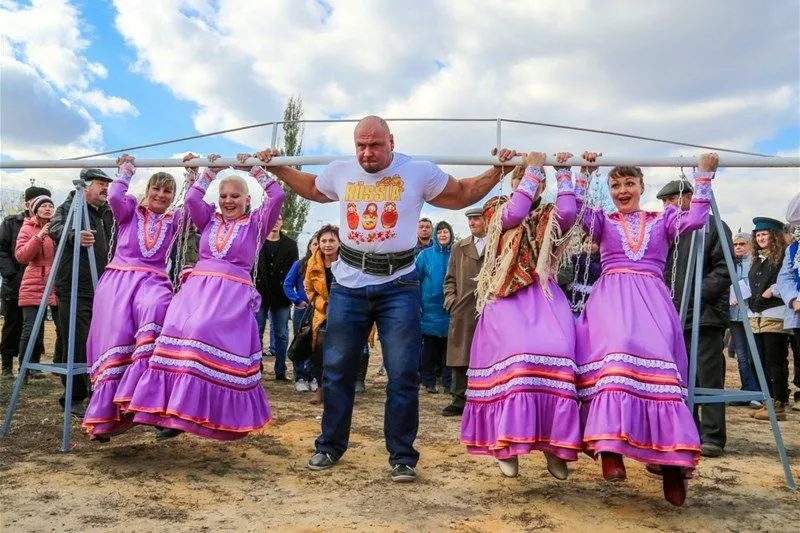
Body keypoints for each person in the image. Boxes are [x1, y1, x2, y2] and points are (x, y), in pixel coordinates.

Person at [256, 115, 519, 483]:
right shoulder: (341, 170)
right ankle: (329, 445)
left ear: (391, 141)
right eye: (361, 145)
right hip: (348, 285)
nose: (367, 153)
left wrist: (499, 171)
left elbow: (460, 194)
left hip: (399, 285)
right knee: (336, 371)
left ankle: (402, 456)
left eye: (375, 145)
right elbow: (314, 189)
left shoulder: (418, 171)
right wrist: (279, 169)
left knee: (402, 374)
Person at [575, 151, 720, 507]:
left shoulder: (663, 218)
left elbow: (698, 219)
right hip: (611, 299)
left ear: (642, 185)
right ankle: (610, 447)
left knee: (661, 374)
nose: (622, 190)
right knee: (617, 357)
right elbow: (570, 215)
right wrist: (583, 174)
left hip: (653, 301)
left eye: (629, 183)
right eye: (615, 184)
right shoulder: (603, 220)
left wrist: (703, 175)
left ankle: (672, 465)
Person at [127, 153, 284, 440]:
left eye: (235, 195)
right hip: (196, 291)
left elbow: (277, 196)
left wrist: (257, 170)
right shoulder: (209, 220)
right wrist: (208, 173)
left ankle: (211, 415)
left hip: (230, 296)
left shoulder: (256, 224)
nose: (228, 200)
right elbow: (191, 201)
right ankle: (171, 413)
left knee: (202, 332)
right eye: (223, 195)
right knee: (175, 332)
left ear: (247, 199)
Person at [461, 151, 581, 480]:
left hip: (543, 295)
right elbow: (515, 213)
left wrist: (563, 171)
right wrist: (531, 168)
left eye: (535, 180)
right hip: (505, 297)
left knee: (558, 355)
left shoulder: (548, 213)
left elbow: (569, 213)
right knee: (520, 363)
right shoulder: (496, 207)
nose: (529, 182)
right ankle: (506, 445)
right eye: (522, 178)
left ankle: (556, 447)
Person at [80, 155, 182, 441]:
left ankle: (161, 413)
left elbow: (199, 211)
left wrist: (197, 174)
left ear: (173, 196)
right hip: (119, 282)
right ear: (148, 190)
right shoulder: (129, 212)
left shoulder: (174, 220)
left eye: (167, 191)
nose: (161, 195)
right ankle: (103, 421)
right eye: (156, 189)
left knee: (159, 322)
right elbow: (113, 193)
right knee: (117, 345)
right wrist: (126, 169)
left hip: (153, 281)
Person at [659, 179, 732, 458]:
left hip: (705, 315)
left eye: (670, 200)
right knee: (680, 377)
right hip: (675, 316)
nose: (666, 206)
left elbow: (724, 269)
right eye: (663, 202)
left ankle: (713, 436)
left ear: (689, 197)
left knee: (708, 376)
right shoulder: (670, 231)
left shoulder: (713, 226)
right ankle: (691, 429)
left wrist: (694, 294)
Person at [49, 170, 116, 417]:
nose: (105, 189)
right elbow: (54, 227)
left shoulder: (107, 212)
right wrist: (73, 236)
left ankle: (98, 390)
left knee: (101, 340)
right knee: (77, 339)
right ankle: (73, 396)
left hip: (104, 285)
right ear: (85, 186)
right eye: (100, 184)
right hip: (76, 285)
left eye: (107, 184)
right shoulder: (71, 206)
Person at [0, 185, 51, 377]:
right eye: (38, 200)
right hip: (15, 281)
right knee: (13, 323)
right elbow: (2, 250)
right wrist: (11, 275)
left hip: (40, 281)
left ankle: (32, 365)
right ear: (27, 203)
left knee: (35, 325)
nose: (44, 204)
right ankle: (6, 364)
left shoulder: (50, 224)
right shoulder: (12, 222)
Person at [443, 207, 486, 416]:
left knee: (489, 353)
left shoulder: (500, 245)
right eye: (470, 219)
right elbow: (450, 278)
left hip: (492, 307)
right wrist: (451, 301)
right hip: (464, 308)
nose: (472, 222)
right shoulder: (459, 247)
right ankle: (459, 398)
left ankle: (486, 396)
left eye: (477, 218)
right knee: (461, 353)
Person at [747, 217, 791, 421]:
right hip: (756, 315)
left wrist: (771, 291)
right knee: (762, 360)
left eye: (764, 234)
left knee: (775, 360)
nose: (761, 238)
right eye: (757, 235)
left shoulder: (783, 256)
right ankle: (768, 400)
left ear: (773, 236)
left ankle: (779, 403)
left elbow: (787, 279)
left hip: (775, 314)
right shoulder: (756, 260)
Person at [14, 194, 63, 378]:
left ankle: (60, 365)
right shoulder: (27, 228)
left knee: (63, 326)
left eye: (51, 205)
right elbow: (21, 256)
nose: (48, 208)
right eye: (43, 206)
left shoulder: (59, 227)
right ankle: (24, 369)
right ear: (35, 209)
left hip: (57, 281)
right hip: (33, 281)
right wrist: (39, 236)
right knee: (31, 327)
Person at [255, 215, 299, 382]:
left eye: (279, 219)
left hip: (281, 295)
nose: (275, 222)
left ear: (282, 222)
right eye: (273, 218)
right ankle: (256, 367)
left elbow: (294, 271)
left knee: (281, 333)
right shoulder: (257, 243)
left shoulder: (291, 245)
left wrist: (295, 294)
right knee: (257, 331)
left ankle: (280, 370)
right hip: (260, 294)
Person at [304, 225, 341, 405]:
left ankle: (338, 390)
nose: (327, 244)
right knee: (319, 350)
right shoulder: (314, 261)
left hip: (344, 312)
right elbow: (308, 288)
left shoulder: (347, 261)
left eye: (332, 240)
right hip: (322, 313)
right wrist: (321, 303)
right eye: (324, 241)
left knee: (342, 352)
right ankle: (320, 388)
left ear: (340, 243)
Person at [416, 220, 454, 394]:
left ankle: (447, 382)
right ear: (435, 235)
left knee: (449, 347)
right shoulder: (425, 255)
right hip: (429, 308)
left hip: (451, 308)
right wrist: (417, 303)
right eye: (439, 232)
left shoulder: (457, 254)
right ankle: (428, 380)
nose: (442, 235)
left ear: (451, 234)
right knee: (430, 347)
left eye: (446, 231)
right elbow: (415, 280)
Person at [728, 232, 761, 406]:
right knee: (741, 356)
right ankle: (747, 390)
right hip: (734, 315)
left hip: (751, 314)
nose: (738, 247)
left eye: (742, 244)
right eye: (735, 244)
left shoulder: (755, 262)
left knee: (753, 354)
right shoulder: (729, 263)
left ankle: (758, 392)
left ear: (749, 245)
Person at [284, 234, 319, 392]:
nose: (318, 247)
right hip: (303, 310)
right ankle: (300, 377)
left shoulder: (329, 265)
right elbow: (288, 284)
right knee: (301, 342)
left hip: (321, 311)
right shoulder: (299, 264)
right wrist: (297, 300)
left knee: (316, 344)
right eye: (315, 243)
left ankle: (313, 376)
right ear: (309, 246)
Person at [563, 234, 602, 316]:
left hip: (593, 302)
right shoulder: (575, 258)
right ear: (583, 244)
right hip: (574, 301)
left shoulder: (603, 261)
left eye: (593, 242)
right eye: (587, 242)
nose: (589, 245)